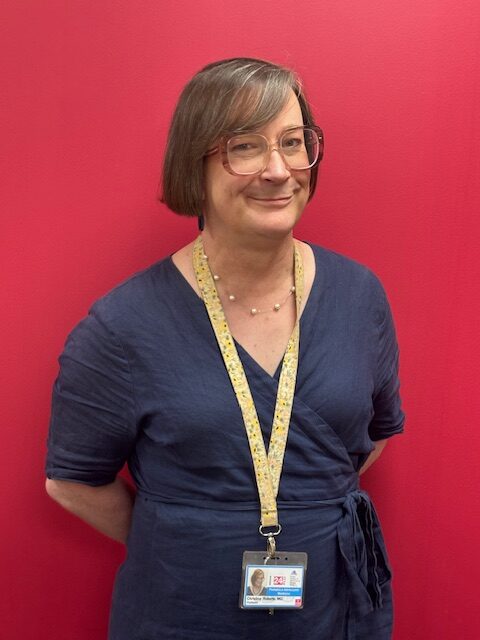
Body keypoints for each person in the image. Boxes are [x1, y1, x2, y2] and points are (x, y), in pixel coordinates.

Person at [45, 57, 404, 639]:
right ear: (196, 164)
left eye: (293, 142)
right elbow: (72, 481)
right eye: (245, 147)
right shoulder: (124, 326)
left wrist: (303, 504)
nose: (278, 169)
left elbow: (376, 433)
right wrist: (193, 532)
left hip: (333, 609)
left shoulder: (359, 296)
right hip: (182, 610)